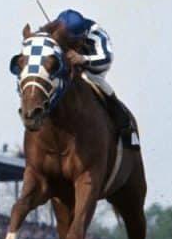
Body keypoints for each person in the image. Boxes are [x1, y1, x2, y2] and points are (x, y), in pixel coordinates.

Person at [54, 9, 137, 147]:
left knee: (90, 79)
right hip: (65, 69)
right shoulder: (56, 32)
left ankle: (125, 125)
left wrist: (82, 59)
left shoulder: (98, 35)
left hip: (91, 71)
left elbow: (106, 59)